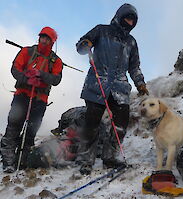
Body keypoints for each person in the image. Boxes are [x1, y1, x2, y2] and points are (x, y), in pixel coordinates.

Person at [76, 3, 149, 175]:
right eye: (127, 17)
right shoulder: (101, 30)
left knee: (121, 123)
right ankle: (86, 160)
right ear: (120, 16)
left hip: (120, 87)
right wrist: (85, 43)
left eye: (133, 20)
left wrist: (140, 83)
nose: (130, 22)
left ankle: (109, 157)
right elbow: (81, 46)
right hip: (97, 82)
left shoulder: (131, 42)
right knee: (92, 122)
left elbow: (134, 66)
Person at [0, 27, 63, 173]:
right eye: (42, 37)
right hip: (22, 94)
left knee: (31, 129)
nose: (44, 40)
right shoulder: (27, 52)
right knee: (14, 125)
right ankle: (8, 159)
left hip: (40, 99)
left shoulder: (56, 61)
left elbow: (56, 79)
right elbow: (15, 68)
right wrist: (27, 78)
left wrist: (41, 74)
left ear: (52, 42)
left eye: (48, 39)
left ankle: (22, 159)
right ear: (39, 37)